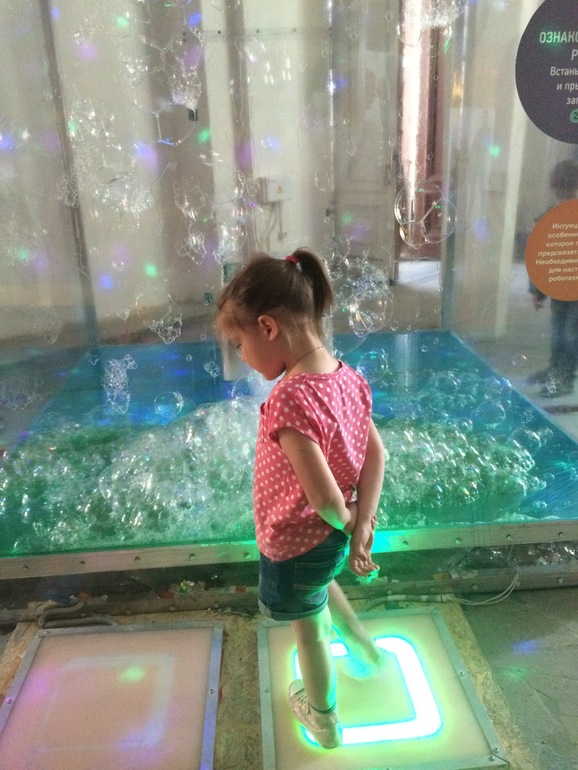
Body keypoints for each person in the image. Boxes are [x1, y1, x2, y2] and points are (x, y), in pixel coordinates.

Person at [216, 247, 386, 750]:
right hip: (326, 542)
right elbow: (376, 454)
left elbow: (328, 502)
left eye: (240, 344)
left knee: (309, 629)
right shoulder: (347, 376)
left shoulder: (291, 398)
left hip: (296, 542)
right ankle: (364, 650)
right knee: (319, 585)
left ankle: (323, 720)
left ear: (268, 328)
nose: (243, 357)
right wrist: (364, 522)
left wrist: (351, 521)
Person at [528, 159, 578, 398]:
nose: (564, 195)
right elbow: (539, 254)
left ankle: (564, 379)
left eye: (569, 190)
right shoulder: (549, 216)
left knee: (571, 335)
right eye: (560, 189)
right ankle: (554, 370)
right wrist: (537, 290)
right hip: (560, 287)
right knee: (558, 333)